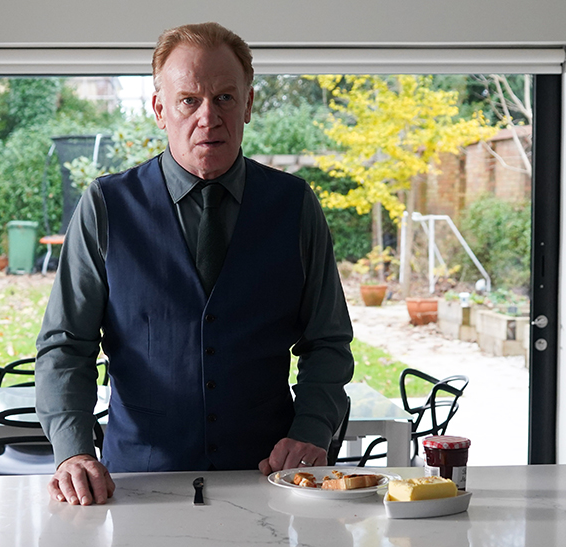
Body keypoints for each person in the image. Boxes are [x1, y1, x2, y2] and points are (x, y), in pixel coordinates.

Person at [36, 22, 354, 506]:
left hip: (268, 480)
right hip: (138, 488)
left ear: (248, 105)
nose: (209, 117)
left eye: (225, 98)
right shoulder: (106, 207)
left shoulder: (295, 206)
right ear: (160, 110)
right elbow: (65, 346)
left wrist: (311, 429)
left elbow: (327, 341)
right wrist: (73, 452)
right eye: (189, 100)